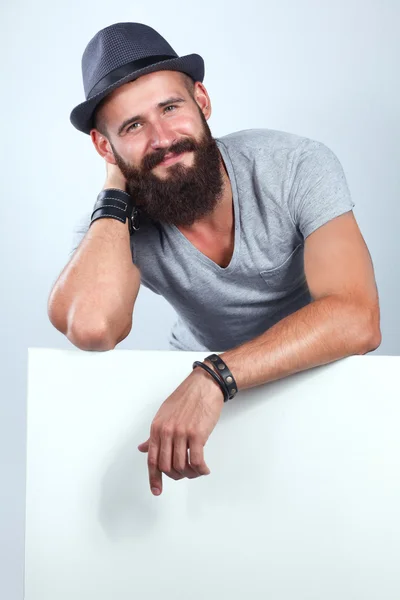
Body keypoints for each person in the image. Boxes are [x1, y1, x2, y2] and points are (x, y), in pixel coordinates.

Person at [48, 22, 381, 497]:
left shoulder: (294, 165)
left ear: (201, 102)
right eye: (133, 126)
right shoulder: (115, 224)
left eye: (170, 107)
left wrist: (214, 375)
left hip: (316, 376)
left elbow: (358, 318)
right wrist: (116, 185)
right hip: (203, 404)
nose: (162, 138)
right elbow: (93, 327)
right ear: (106, 147)